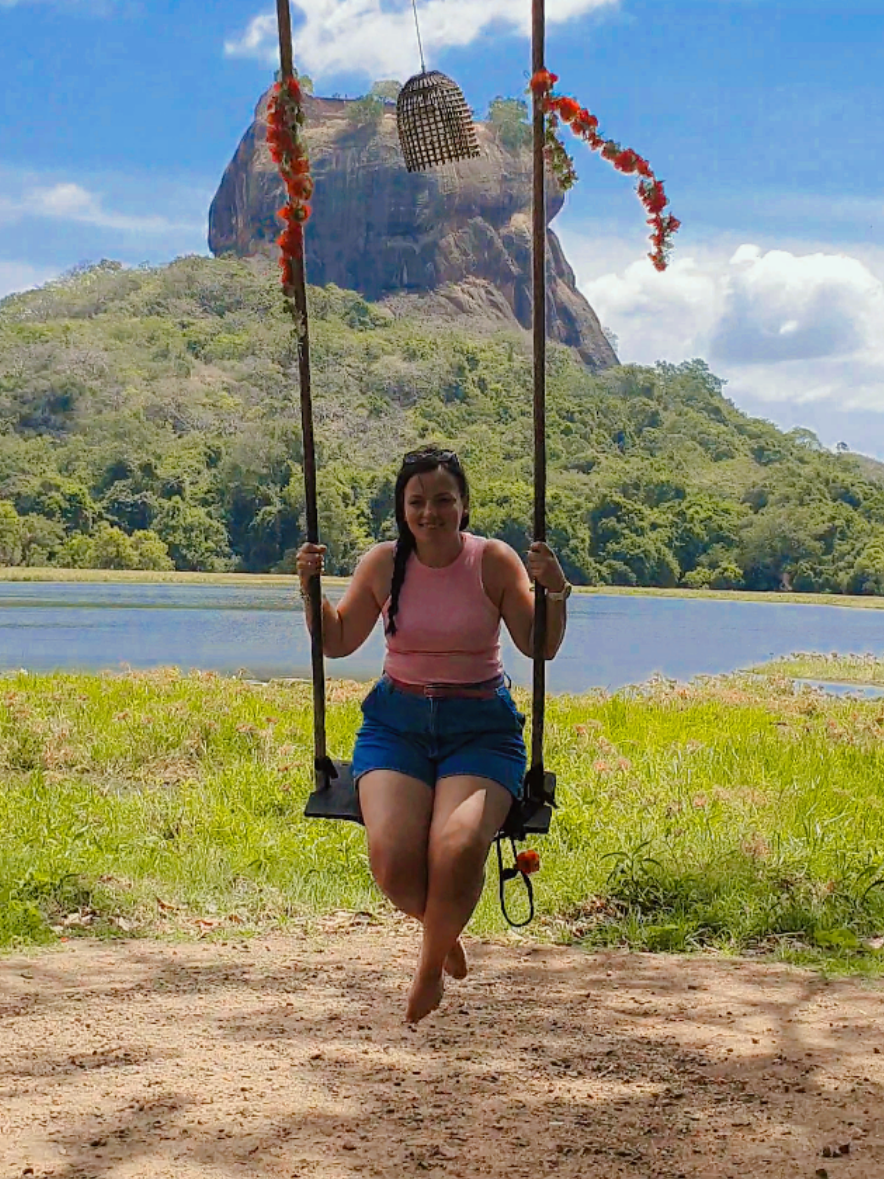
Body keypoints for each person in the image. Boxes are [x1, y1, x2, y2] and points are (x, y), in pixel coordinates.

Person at [296, 445, 570, 1023]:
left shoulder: (492, 562)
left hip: (480, 730)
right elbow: (337, 640)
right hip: (397, 726)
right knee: (394, 861)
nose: (430, 513)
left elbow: (538, 644)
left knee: (459, 846)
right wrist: (309, 590)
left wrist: (555, 592)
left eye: (443, 500)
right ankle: (443, 930)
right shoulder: (381, 564)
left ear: (464, 505)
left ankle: (427, 970)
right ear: (402, 507)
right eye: (417, 502)